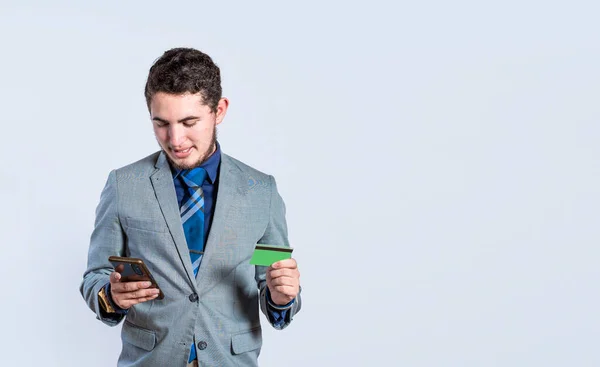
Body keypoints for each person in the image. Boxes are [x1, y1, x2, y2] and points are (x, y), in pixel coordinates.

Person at [80, 47, 302, 367]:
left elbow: (271, 275)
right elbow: (96, 275)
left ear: (219, 110)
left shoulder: (260, 193)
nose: (175, 139)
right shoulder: (124, 186)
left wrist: (282, 298)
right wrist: (111, 296)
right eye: (162, 123)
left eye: (189, 121)